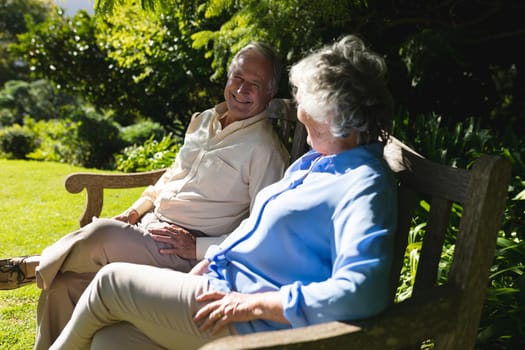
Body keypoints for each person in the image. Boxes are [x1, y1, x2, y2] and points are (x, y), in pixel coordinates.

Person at [48, 34, 398, 350]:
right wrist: (213, 261)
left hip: (253, 323)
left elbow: (363, 289)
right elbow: (256, 227)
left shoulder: (364, 183)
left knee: (112, 283)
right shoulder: (314, 163)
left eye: (305, 100)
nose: (299, 107)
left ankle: (38, 273)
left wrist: (255, 304)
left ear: (334, 113)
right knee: (112, 341)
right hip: (222, 290)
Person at [0, 42, 289, 349]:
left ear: (270, 93)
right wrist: (137, 210)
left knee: (100, 232)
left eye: (254, 85)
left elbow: (260, 233)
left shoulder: (266, 150)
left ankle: (31, 267)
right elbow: (172, 175)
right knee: (61, 286)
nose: (242, 89)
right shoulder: (204, 120)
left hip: (179, 252)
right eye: (238, 78)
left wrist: (197, 247)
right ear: (228, 78)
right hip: (146, 228)